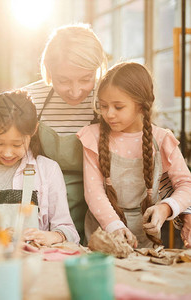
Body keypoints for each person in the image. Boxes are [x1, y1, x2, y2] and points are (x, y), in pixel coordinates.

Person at [77, 62, 191, 248]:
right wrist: (114, 227)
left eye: (118, 107)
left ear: (141, 105)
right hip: (101, 237)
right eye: (104, 106)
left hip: (147, 243)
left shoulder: (162, 140)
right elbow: (94, 192)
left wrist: (165, 208)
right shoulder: (93, 137)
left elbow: (187, 185)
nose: (109, 114)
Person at [0, 90, 80, 245]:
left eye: (17, 144)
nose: (7, 152)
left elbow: (68, 230)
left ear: (33, 130)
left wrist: (50, 236)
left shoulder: (48, 170)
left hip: (32, 261)